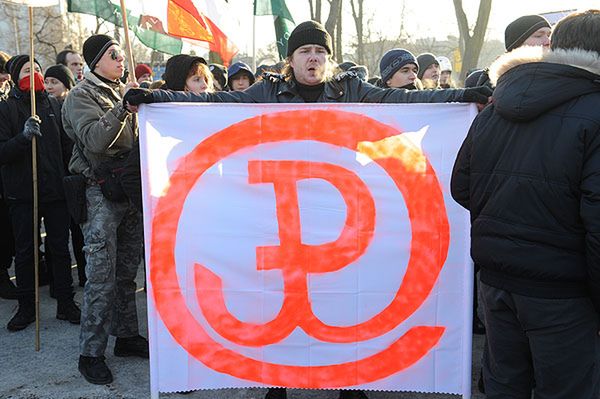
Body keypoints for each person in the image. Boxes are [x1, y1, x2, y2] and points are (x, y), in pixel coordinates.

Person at [124, 21, 491, 399]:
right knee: (271, 294)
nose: (313, 58)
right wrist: (159, 100)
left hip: (339, 209)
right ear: (291, 60)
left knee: (346, 293)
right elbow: (216, 105)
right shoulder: (267, 89)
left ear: (328, 59)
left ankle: (351, 379)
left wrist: (465, 96)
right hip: (277, 212)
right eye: (305, 51)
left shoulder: (350, 89)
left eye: (320, 52)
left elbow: (405, 101)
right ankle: (277, 379)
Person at [451, 9, 600, 399]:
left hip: (497, 281)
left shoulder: (497, 106)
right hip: (565, 293)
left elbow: (462, 186)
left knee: (505, 386)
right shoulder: (595, 112)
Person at [61, 34, 147, 385]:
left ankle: (126, 336)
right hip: (99, 194)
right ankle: (91, 353)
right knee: (100, 276)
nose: (121, 59)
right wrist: (122, 108)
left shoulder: (119, 90)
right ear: (96, 62)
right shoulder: (80, 96)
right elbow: (95, 141)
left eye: (121, 54)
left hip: (128, 189)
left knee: (127, 271)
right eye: (114, 55)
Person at [0, 55, 80, 330]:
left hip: (55, 190)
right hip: (23, 194)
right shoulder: (6, 109)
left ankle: (66, 302)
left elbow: (67, 146)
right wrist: (22, 138)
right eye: (26, 70)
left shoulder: (54, 105)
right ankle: (27, 307)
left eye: (36, 69)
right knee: (26, 252)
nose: (33, 73)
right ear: (14, 76)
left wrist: (70, 176)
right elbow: (2, 152)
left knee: (59, 247)